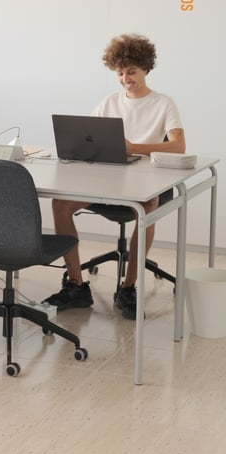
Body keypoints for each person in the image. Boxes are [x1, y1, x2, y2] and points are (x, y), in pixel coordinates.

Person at [44, 33, 185, 319]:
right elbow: (89, 137)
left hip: (146, 183)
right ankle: (76, 284)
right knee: (61, 203)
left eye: (131, 72)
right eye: (120, 73)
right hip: (107, 182)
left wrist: (134, 148)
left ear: (145, 68)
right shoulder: (109, 102)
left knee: (147, 206)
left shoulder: (163, 103)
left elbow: (178, 146)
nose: (125, 79)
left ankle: (128, 287)